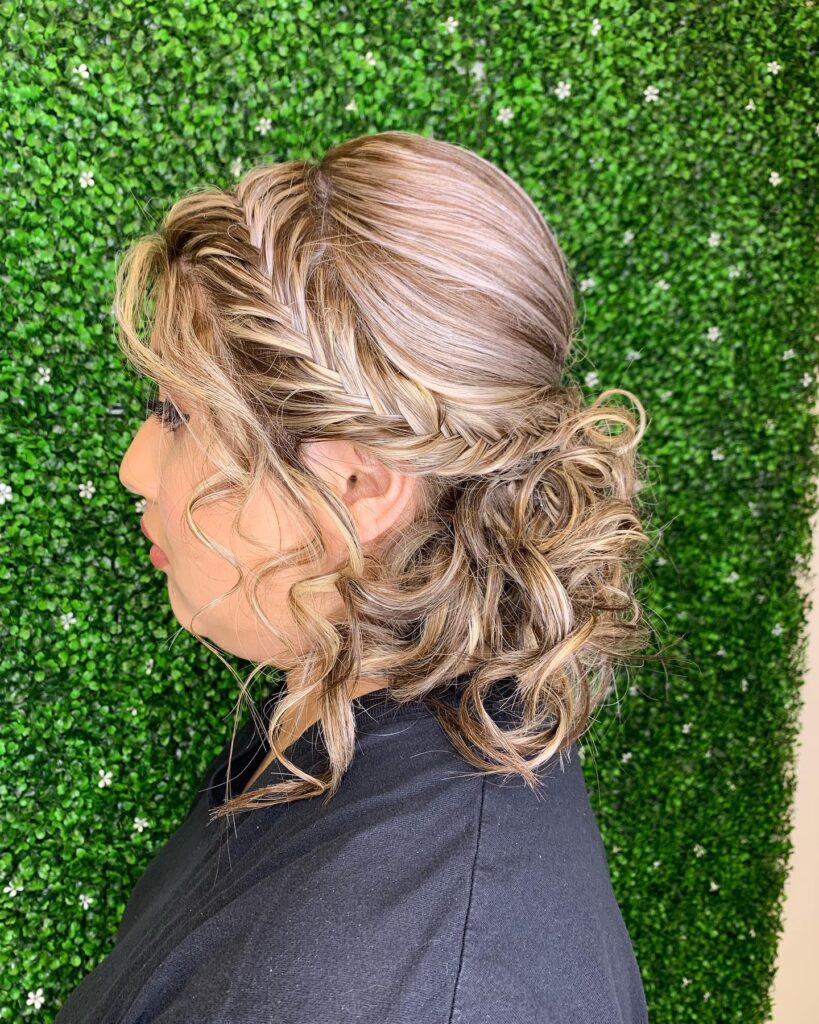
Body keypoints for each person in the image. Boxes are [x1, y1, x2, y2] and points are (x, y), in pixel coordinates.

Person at [55, 129, 653, 1023]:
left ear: (354, 487)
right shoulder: (344, 702)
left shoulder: (398, 990)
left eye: (176, 414)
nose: (134, 468)